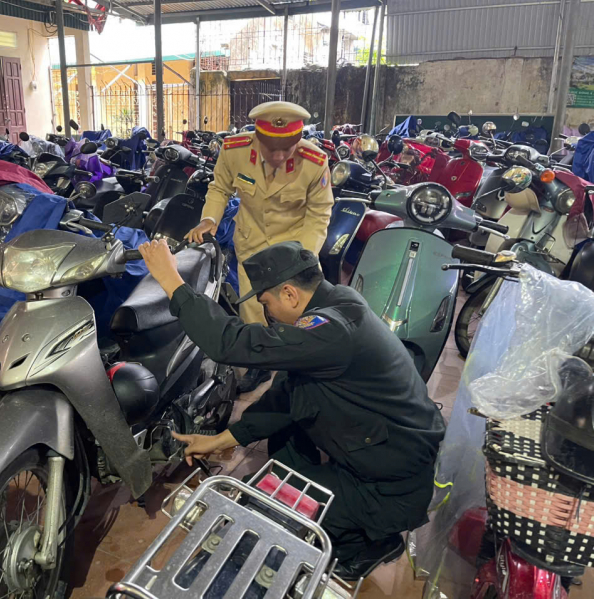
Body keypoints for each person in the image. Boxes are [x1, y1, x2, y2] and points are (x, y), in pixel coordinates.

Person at [137, 238, 447, 580]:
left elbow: (232, 343)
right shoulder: (338, 302)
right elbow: (287, 393)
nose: (267, 314)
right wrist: (223, 438)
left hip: (387, 486)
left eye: (265, 302)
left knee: (271, 509)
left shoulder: (330, 331)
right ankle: (326, 504)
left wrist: (171, 281)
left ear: (289, 294)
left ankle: (367, 545)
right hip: (378, 447)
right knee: (284, 430)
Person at [186, 101, 334, 391]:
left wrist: (302, 257)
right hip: (252, 242)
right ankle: (258, 365)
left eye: (287, 148)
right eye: (271, 149)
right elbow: (219, 188)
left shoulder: (315, 161)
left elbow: (319, 214)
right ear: (256, 139)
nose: (279, 156)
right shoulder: (234, 150)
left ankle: (297, 368)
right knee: (254, 308)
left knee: (298, 311)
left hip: (296, 245)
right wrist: (208, 219)